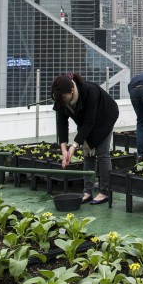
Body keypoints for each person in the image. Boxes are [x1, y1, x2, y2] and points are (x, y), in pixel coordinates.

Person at [52, 72, 119, 205]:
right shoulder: (60, 98)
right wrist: (64, 149)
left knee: (102, 153)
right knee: (87, 153)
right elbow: (61, 123)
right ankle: (87, 191)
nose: (62, 101)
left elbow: (90, 122)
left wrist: (74, 146)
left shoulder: (89, 91)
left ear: (72, 90)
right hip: (87, 121)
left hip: (105, 117)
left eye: (64, 97)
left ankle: (105, 191)